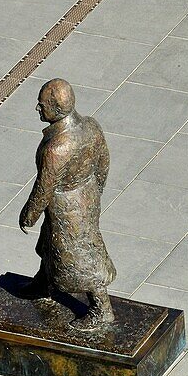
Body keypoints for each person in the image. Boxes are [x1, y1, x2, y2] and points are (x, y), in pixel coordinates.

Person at [19, 79, 117, 330]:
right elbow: (103, 162)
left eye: (42, 105)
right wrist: (96, 192)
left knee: (79, 255)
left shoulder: (57, 148)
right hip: (88, 194)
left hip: (67, 206)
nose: (38, 109)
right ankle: (44, 282)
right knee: (51, 243)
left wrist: (29, 214)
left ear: (56, 107)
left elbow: (45, 186)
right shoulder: (91, 127)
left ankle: (101, 309)